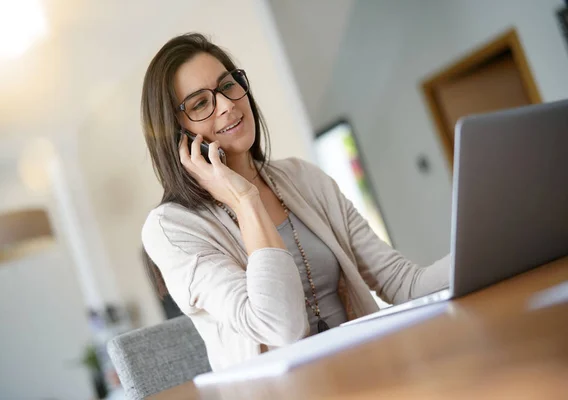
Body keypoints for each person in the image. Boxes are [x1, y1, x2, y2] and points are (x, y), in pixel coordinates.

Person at [141, 33, 450, 371]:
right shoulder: (170, 228)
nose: (228, 105)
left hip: (371, 368)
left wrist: (494, 245)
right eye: (201, 103)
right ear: (177, 134)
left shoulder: (304, 178)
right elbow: (280, 327)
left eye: (228, 86)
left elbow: (403, 283)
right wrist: (245, 199)